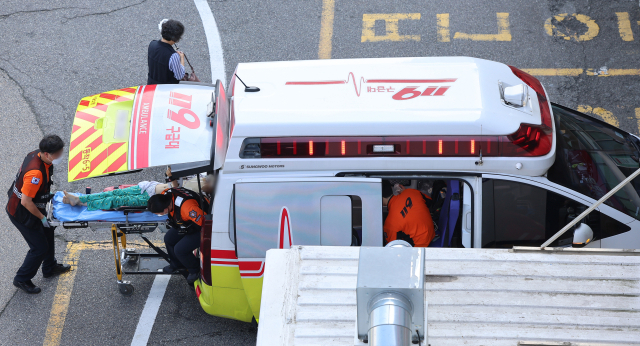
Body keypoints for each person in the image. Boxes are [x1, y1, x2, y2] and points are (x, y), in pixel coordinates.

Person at [6, 135, 71, 294]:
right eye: (59, 154)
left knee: (48, 233)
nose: (61, 156)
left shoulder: (37, 155)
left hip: (36, 205)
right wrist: (42, 218)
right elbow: (26, 202)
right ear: (48, 154)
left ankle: (49, 268)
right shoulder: (35, 173)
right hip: (23, 213)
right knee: (39, 247)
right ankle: (21, 279)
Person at [62, 168, 214, 211]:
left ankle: (83, 203)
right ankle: (79, 198)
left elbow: (177, 192)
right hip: (149, 187)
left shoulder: (199, 194)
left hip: (153, 198)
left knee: (116, 200)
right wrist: (171, 170)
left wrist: (171, 178)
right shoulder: (200, 175)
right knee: (115, 193)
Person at [147, 187, 205, 284]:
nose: (160, 215)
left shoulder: (188, 209)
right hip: (186, 223)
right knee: (169, 239)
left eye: (160, 214)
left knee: (180, 250)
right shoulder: (165, 194)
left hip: (201, 227)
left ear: (166, 209)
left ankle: (195, 270)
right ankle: (177, 264)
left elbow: (205, 224)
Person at [383, 182, 435, 247]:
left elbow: (393, 249)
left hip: (419, 248)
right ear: (391, 188)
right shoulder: (411, 191)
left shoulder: (390, 224)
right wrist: (407, 193)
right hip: (432, 234)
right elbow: (430, 202)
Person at [147, 19, 186, 84]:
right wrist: (182, 58)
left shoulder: (152, 44)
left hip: (151, 85)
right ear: (176, 38)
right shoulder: (173, 56)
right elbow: (179, 76)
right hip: (166, 89)